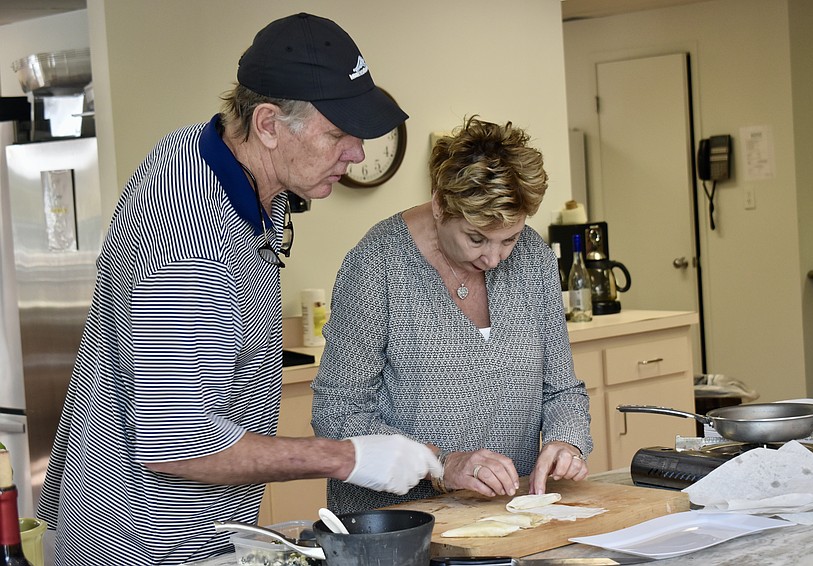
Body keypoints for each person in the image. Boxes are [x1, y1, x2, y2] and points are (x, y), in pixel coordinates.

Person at [37, 13, 440, 565]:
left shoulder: (222, 165)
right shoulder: (189, 233)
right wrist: (348, 458)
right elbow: (176, 446)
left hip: (198, 537)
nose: (356, 155)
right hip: (136, 546)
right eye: (338, 135)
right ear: (269, 124)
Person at [311, 116, 593, 514]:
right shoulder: (377, 265)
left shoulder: (534, 259)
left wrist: (567, 441)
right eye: (476, 238)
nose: (495, 258)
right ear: (441, 205)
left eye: (508, 238)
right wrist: (441, 462)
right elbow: (337, 413)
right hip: (396, 525)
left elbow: (561, 390)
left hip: (508, 516)